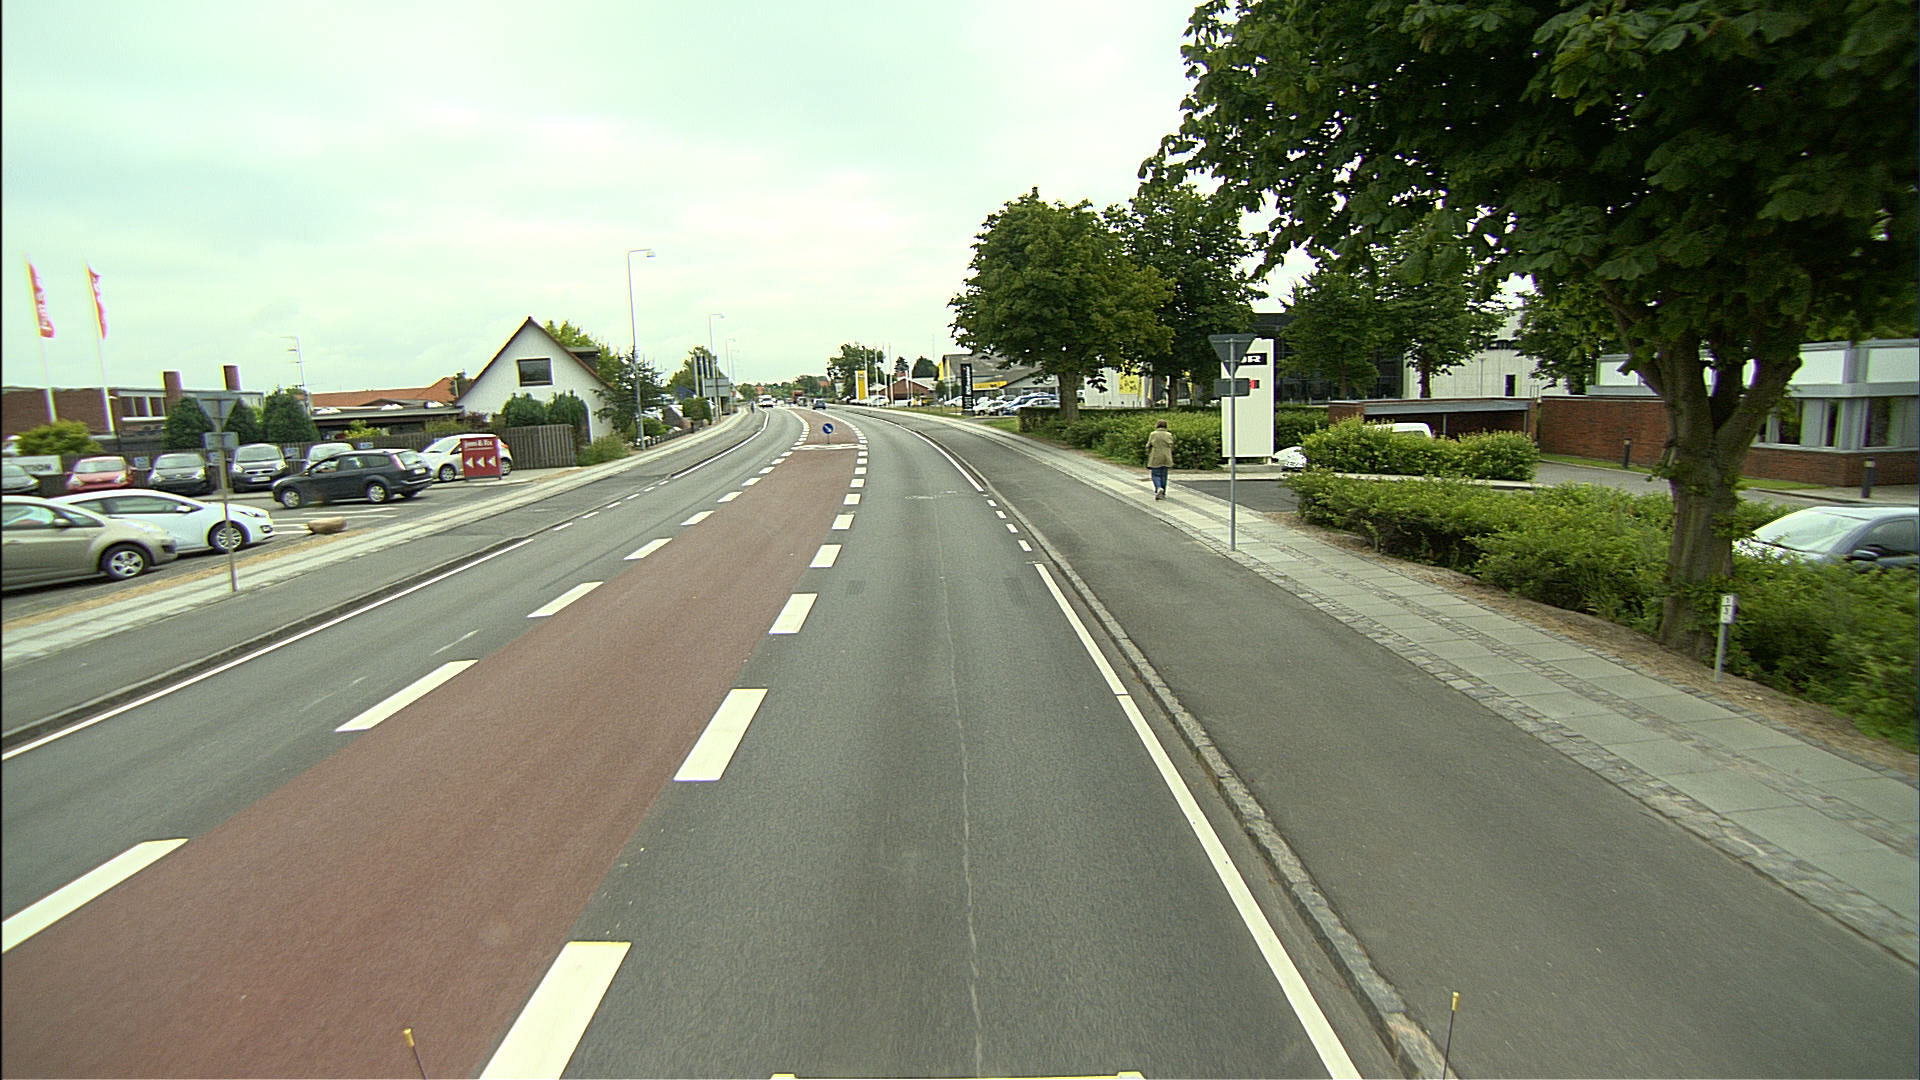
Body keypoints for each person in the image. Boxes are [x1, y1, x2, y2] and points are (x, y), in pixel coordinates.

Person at [1146, 418, 1174, 500]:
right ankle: (1163, 493)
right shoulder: (1169, 435)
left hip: (1156, 456)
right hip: (1166, 456)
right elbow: (1171, 445)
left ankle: (1158, 488)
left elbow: (1148, 445)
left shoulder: (1153, 434)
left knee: (1155, 474)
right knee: (1164, 475)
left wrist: (1148, 451)